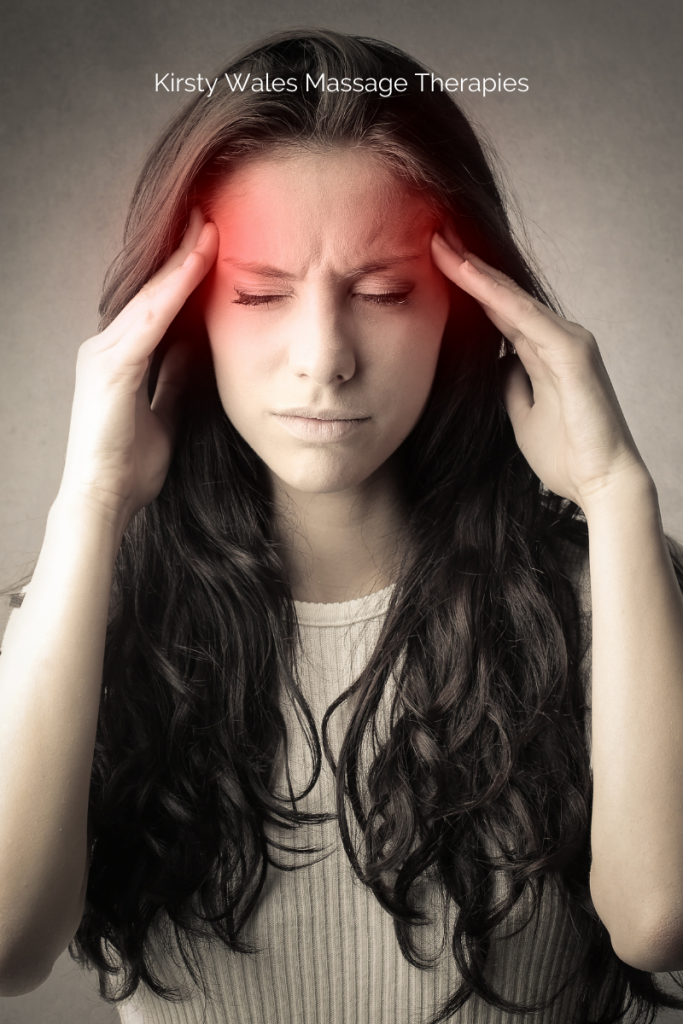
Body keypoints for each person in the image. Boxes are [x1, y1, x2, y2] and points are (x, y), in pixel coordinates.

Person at [1, 27, 683, 1024]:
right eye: (259, 293)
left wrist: (618, 494)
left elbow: (659, 918)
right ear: (183, 313)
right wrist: (91, 500)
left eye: (382, 292)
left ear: (462, 307)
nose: (323, 356)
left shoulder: (600, 596)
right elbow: (9, 944)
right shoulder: (80, 618)